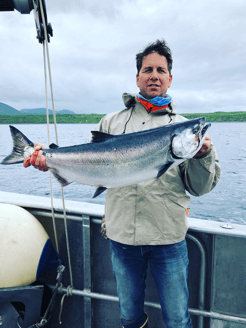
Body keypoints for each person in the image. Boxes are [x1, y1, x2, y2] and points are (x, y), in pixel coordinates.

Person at [23, 39, 220, 328]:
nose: (154, 75)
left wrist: (203, 155)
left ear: (170, 78)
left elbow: (200, 188)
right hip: (122, 237)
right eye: (148, 69)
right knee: (129, 317)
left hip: (168, 238)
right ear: (137, 76)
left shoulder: (183, 127)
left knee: (178, 319)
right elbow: (84, 161)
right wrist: (48, 158)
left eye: (161, 70)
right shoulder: (111, 122)